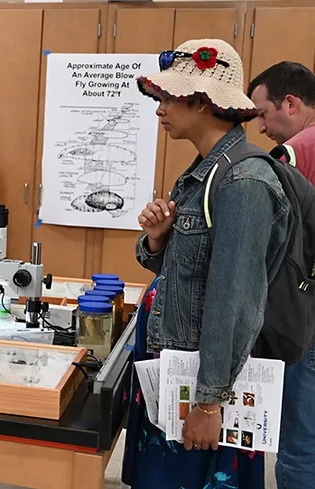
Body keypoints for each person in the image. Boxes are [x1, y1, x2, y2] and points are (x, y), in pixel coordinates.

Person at [122, 39, 292, 489]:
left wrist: (209, 403)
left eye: (167, 97)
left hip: (203, 384)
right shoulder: (202, 172)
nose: (158, 107)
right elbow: (190, 273)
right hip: (178, 368)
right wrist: (158, 242)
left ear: (203, 102)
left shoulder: (243, 182)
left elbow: (234, 300)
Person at [247, 61, 315, 489]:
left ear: (289, 103)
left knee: (301, 436)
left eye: (262, 114)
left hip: (305, 311)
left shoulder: (291, 155)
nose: (260, 128)